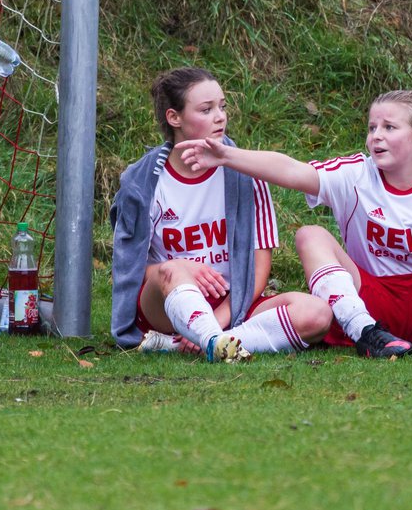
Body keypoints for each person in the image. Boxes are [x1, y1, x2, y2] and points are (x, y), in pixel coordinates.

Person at [179, 89, 412, 359]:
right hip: (373, 299)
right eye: (373, 128)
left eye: (389, 127)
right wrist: (226, 155)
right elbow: (293, 170)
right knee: (310, 234)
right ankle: (366, 334)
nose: (377, 136)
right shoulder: (354, 173)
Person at [109, 67, 332, 361]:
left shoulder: (247, 171)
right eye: (206, 109)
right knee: (172, 269)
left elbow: (257, 267)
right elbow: (133, 268)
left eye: (222, 106)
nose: (220, 116)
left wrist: (221, 316)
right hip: (167, 300)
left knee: (316, 314)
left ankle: (208, 340)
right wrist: (184, 266)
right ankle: (211, 339)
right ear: (174, 118)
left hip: (233, 302)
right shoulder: (142, 183)